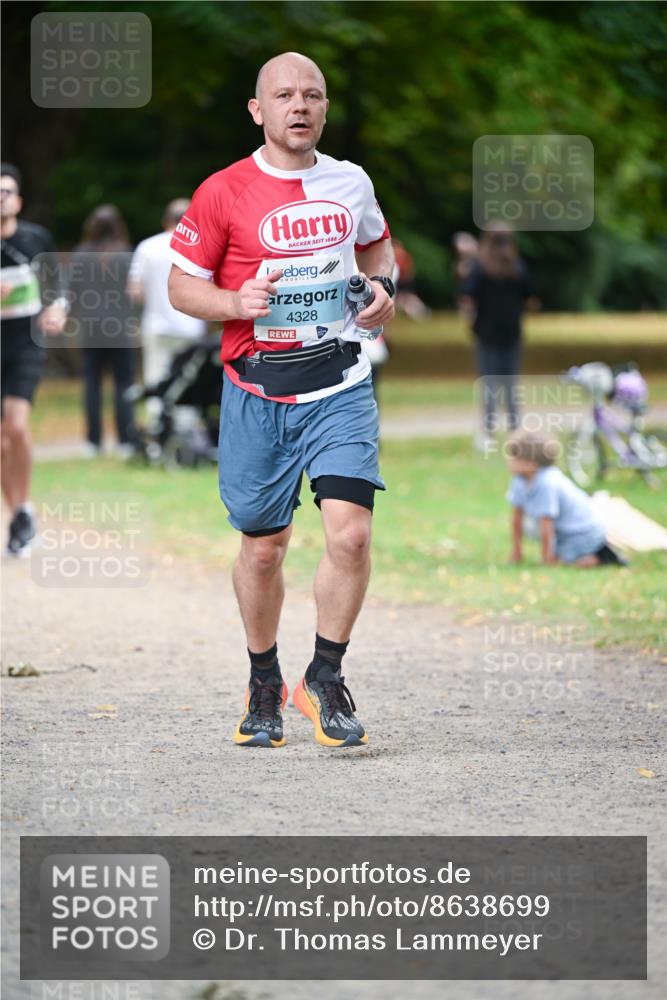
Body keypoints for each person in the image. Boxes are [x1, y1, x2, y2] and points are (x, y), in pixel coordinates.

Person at [168, 51, 395, 749]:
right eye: (284, 95)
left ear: (324, 109)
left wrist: (382, 293)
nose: (299, 105)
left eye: (312, 95)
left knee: (350, 532)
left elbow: (379, 253)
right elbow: (181, 286)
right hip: (256, 389)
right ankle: (263, 677)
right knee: (263, 549)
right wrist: (235, 300)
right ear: (257, 109)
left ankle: (323, 676)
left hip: (340, 384)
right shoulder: (223, 191)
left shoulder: (350, 182)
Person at [1, 162, 67, 555]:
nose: (1, 198)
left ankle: (22, 508)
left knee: (17, 428)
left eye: (6, 191)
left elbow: (55, 287)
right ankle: (20, 513)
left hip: (26, 344)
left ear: (19, 200)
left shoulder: (35, 238)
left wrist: (57, 309)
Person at [458, 224, 539, 448]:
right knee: (511, 384)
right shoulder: (518, 267)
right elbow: (531, 300)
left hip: (486, 333)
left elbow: (467, 298)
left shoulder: (479, 268)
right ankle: (516, 431)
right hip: (512, 333)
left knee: (489, 383)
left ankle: (488, 433)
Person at [127, 199, 207, 424]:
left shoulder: (147, 246)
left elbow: (135, 290)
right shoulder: (200, 245)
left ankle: (157, 427)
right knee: (189, 378)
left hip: (157, 324)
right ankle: (186, 429)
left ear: (166, 221)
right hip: (191, 326)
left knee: (156, 376)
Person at [70, 205, 137, 456]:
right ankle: (125, 441)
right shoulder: (126, 255)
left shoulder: (80, 255)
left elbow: (73, 293)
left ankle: (93, 442)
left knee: (92, 384)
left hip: (89, 329)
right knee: (124, 384)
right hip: (120, 328)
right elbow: (134, 293)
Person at [506, 431, 626, 567]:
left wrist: (547, 559)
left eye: (514, 458)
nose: (509, 461)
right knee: (529, 525)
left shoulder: (547, 483)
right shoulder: (520, 480)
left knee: (563, 563)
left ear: (531, 464)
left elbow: (547, 523)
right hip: (564, 532)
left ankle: (602, 556)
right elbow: (517, 517)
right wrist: (517, 552)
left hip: (583, 534)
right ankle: (569, 553)